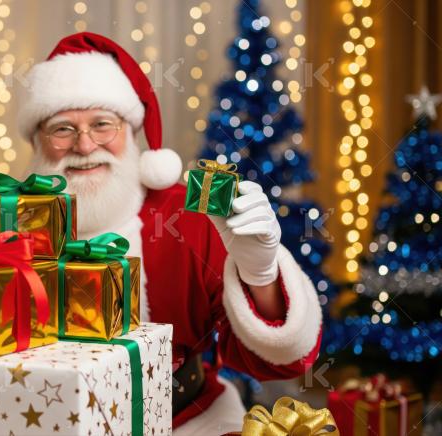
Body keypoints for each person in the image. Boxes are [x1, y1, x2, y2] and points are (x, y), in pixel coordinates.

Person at [18, 32, 322, 435]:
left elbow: (277, 362)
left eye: (102, 125)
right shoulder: (7, 227)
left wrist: (260, 274)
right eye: (62, 129)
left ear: (131, 132)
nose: (85, 145)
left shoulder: (186, 215)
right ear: (37, 140)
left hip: (188, 419)